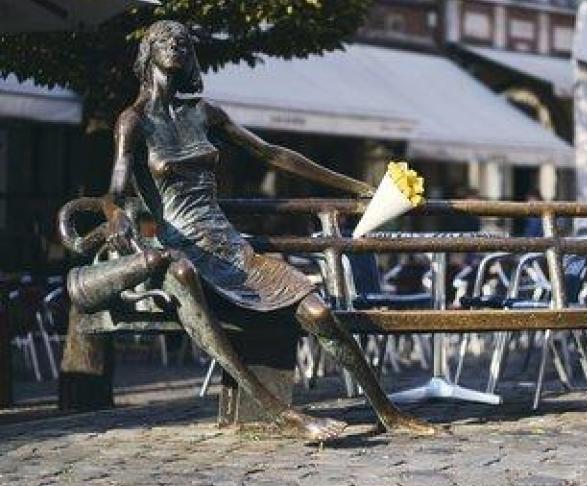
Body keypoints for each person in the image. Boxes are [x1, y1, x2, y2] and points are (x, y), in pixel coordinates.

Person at [102, 21, 435, 441]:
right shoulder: (133, 122)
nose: (175, 45)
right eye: (165, 39)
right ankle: (285, 415)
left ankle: (389, 413)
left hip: (229, 247)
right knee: (185, 277)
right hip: (181, 248)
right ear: (148, 51)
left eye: (183, 40)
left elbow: (273, 154)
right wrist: (116, 216)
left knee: (319, 313)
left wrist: (359, 188)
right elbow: (115, 189)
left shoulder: (204, 113)